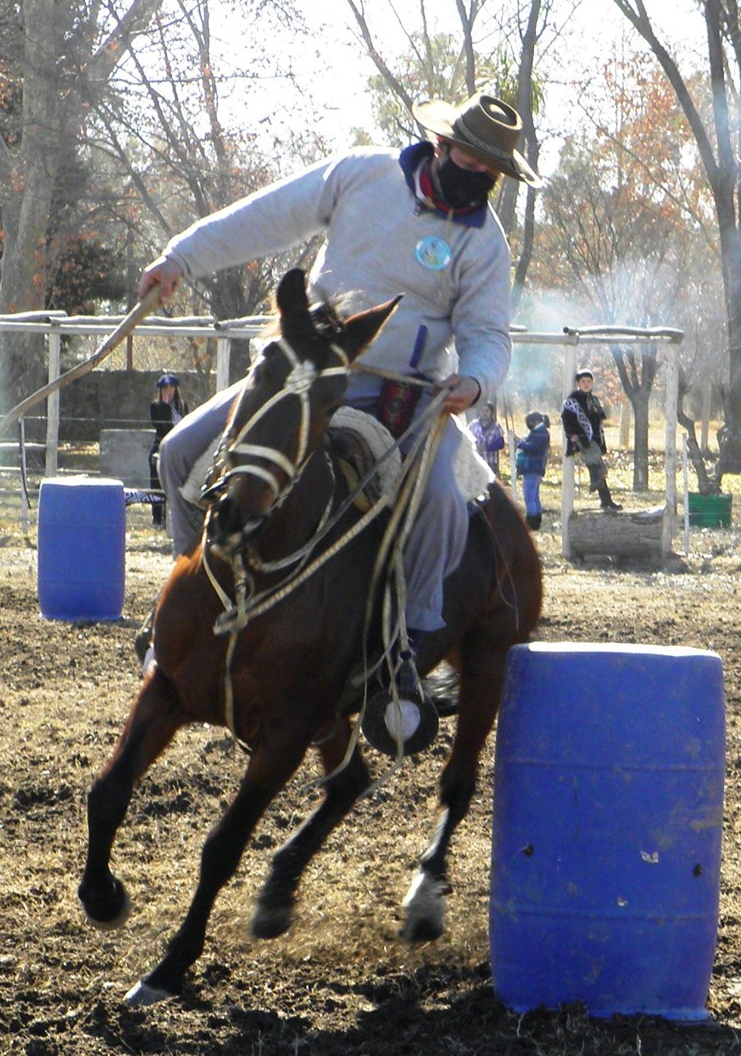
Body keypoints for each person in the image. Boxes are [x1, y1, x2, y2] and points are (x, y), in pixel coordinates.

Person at [141, 89, 539, 705]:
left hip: (407, 395)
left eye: (494, 169)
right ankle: (186, 606)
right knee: (179, 451)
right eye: (474, 159)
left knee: (439, 502)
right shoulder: (362, 175)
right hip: (307, 368)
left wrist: (477, 380)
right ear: (442, 144)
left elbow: (486, 333)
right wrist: (181, 258)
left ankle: (406, 649)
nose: (482, 175)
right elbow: (268, 215)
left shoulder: (485, 244)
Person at [560, 369, 621, 513]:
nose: (586, 384)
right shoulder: (573, 400)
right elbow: (566, 419)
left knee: (600, 468)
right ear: (578, 384)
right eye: (583, 382)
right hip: (582, 438)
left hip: (594, 438)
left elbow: (598, 418)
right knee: (594, 462)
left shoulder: (594, 399)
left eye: (589, 381)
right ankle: (595, 484)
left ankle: (605, 500)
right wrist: (572, 434)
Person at [147, 372, 186, 526]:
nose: (168, 391)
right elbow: (159, 425)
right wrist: (164, 405)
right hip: (161, 443)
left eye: (171, 388)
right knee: (154, 475)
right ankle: (157, 517)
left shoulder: (182, 406)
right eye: (165, 388)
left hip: (178, 444)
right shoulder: (156, 406)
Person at [512, 409, 551, 531]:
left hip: (533, 468)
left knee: (529, 496)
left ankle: (531, 520)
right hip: (535, 468)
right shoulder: (538, 432)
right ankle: (536, 519)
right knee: (534, 496)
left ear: (536, 421)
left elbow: (532, 447)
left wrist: (519, 443)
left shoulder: (541, 433)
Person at [468, 399, 506, 481]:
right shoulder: (473, 425)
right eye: (482, 411)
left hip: (490, 462)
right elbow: (467, 440)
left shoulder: (496, 426)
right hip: (475, 461)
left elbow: (501, 443)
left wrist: (486, 447)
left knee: (490, 485)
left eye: (487, 411)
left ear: (491, 413)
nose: (484, 413)